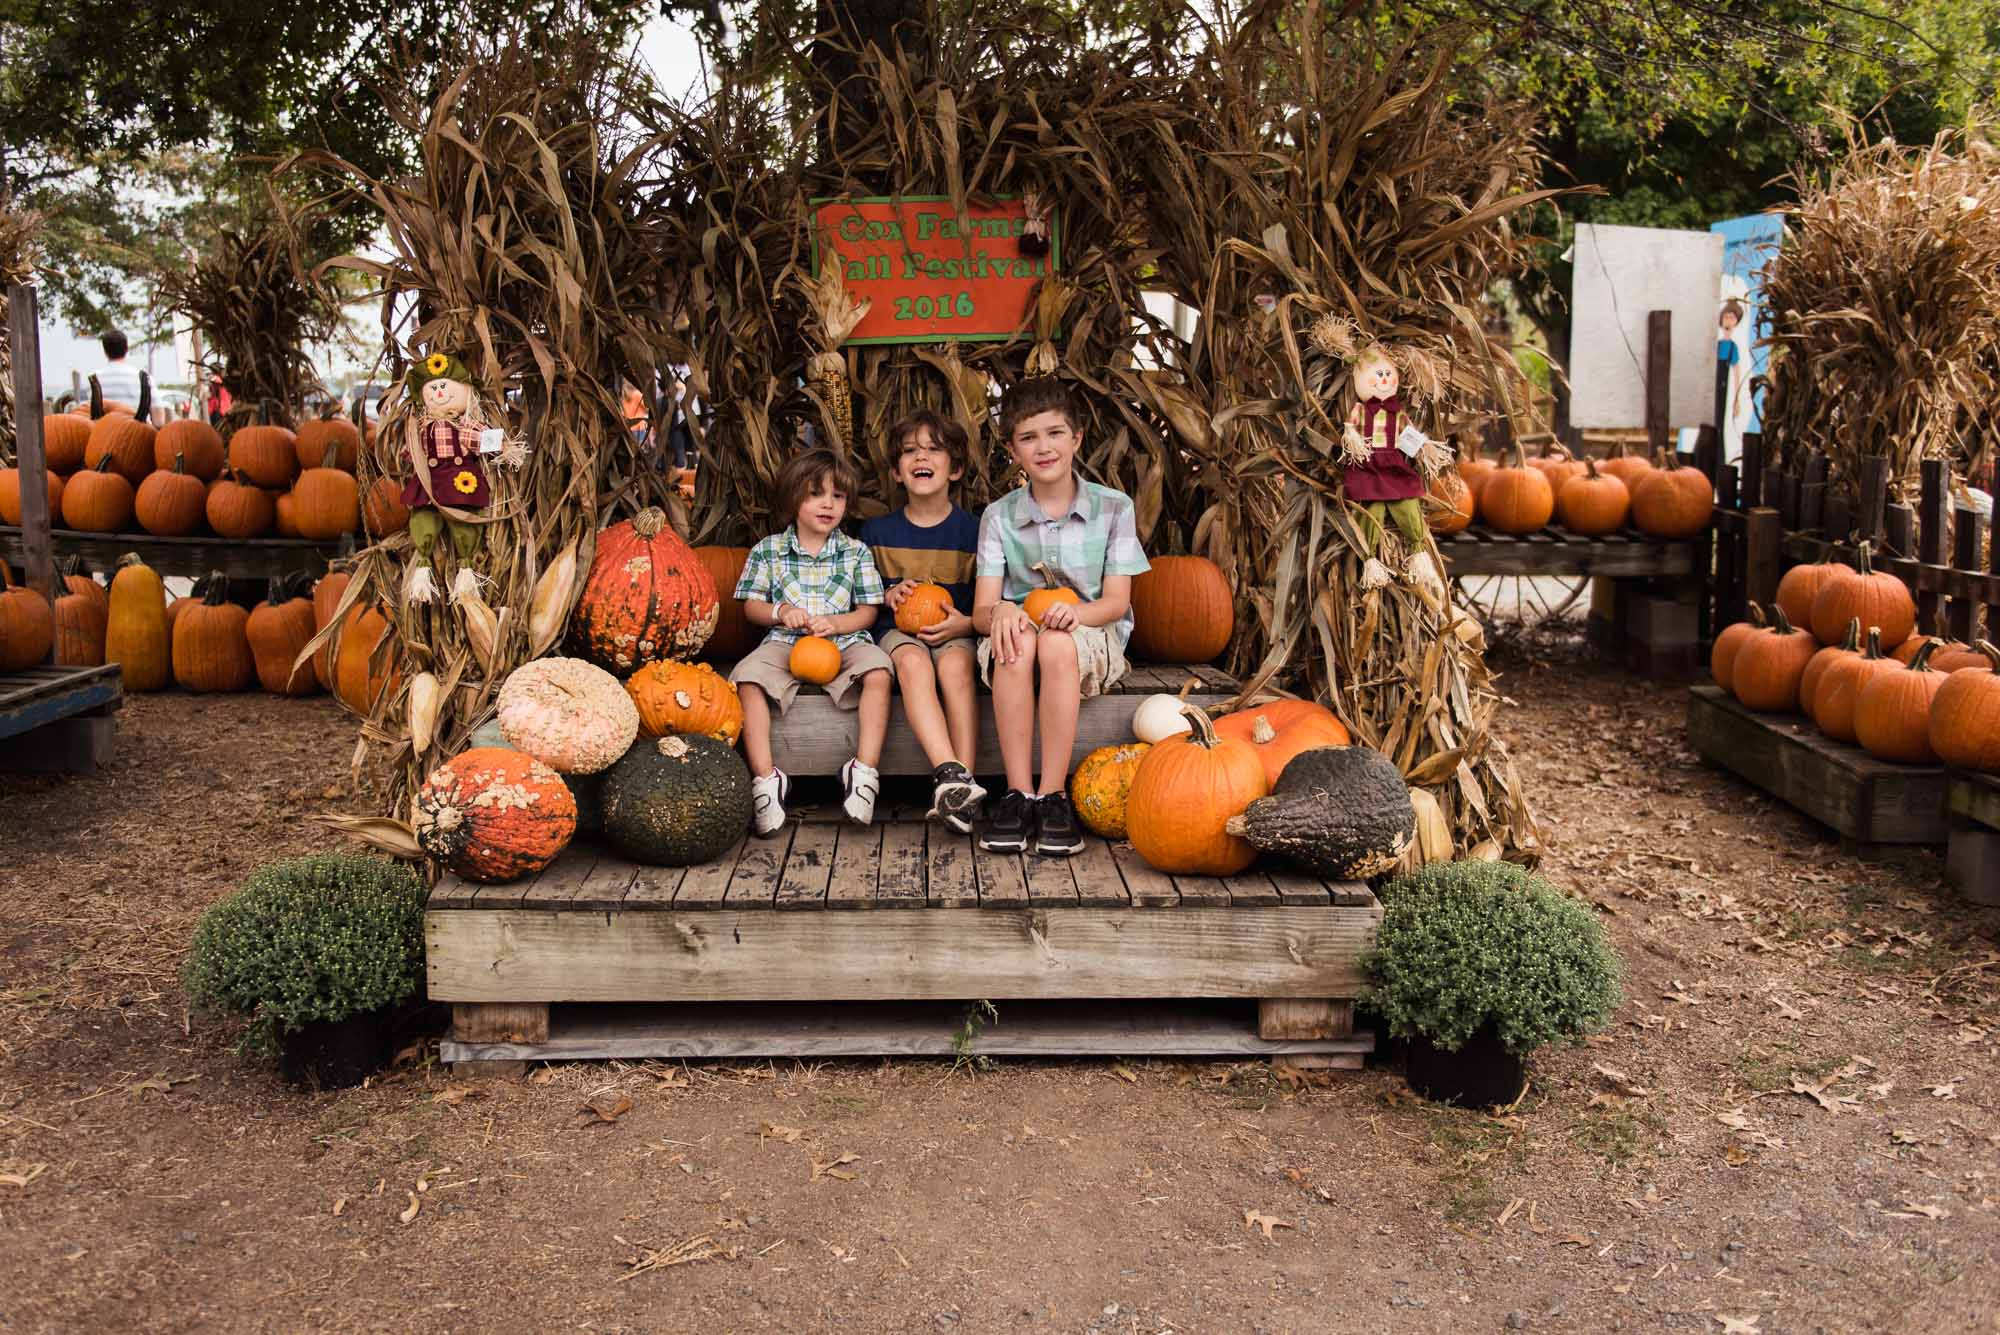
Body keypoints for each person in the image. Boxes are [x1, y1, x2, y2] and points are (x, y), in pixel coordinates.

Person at [973, 380, 1149, 857]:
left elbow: (1115, 601)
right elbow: (981, 611)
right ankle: (1016, 793)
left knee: (1053, 641)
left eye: (1054, 433)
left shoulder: (1114, 508)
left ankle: (1052, 794)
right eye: (1028, 438)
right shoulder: (999, 516)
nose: (1043, 447)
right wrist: (1003, 610)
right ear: (1012, 449)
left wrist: (1074, 613)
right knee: (1016, 641)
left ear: (1077, 437)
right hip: (1022, 635)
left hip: (1090, 633)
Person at [728, 449, 894, 834]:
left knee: (880, 670)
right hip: (785, 641)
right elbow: (750, 606)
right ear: (792, 499)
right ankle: (766, 779)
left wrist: (836, 623)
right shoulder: (769, 550)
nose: (828, 504)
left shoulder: (854, 552)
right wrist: (781, 612)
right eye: (816, 494)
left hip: (844, 639)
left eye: (838, 497)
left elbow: (868, 611)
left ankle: (864, 772)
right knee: (747, 678)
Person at [863, 410, 986, 832]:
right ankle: (949, 772)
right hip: (897, 632)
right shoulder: (876, 533)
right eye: (911, 451)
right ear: (897, 472)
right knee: (913, 664)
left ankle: (962, 789)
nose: (922, 457)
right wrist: (885, 595)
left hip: (957, 630)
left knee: (955, 667)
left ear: (956, 469)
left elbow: (988, 601)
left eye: (935, 450)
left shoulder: (974, 532)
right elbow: (859, 596)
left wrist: (965, 624)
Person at [92, 329, 144, 409]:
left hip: (105, 421)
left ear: (105, 351)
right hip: (135, 421)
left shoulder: (94, 379)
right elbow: (158, 411)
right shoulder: (143, 378)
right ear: (126, 349)